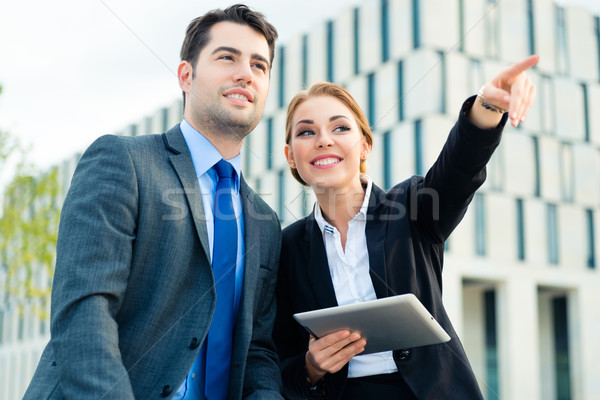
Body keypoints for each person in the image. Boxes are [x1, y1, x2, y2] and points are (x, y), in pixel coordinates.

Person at [24, 4, 284, 400]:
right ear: (186, 75)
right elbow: (83, 312)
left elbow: (258, 351)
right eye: (227, 57)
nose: (245, 73)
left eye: (259, 65)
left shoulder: (264, 221)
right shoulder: (122, 161)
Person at [274, 55, 539, 399]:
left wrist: (487, 105)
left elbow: (459, 168)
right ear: (291, 156)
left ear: (365, 144)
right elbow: (277, 360)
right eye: (306, 132)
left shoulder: (411, 206)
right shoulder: (287, 247)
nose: (323, 140)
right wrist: (312, 366)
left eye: (340, 128)